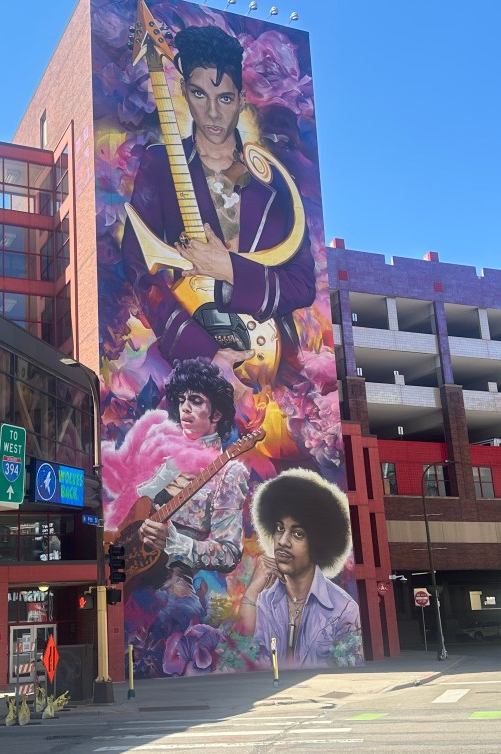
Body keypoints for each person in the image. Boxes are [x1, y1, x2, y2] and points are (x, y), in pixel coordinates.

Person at [121, 23, 315, 368]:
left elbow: (302, 285)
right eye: (200, 94)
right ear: (183, 91)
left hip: (273, 367)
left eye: (224, 98)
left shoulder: (275, 182)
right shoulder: (159, 164)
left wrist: (229, 268)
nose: (212, 113)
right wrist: (204, 352)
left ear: (240, 101)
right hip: (192, 364)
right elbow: (140, 271)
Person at [135, 359, 249, 606]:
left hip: (171, 584)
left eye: (196, 400)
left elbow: (229, 553)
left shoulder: (230, 473)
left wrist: (175, 543)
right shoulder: (167, 457)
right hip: (129, 568)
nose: (185, 407)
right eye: (181, 400)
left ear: (216, 414)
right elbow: (136, 502)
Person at [238, 468, 362, 667]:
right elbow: (243, 655)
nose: (283, 541)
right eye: (279, 528)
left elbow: (349, 667)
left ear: (318, 543)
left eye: (297, 534)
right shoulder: (264, 602)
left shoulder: (343, 609)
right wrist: (251, 593)